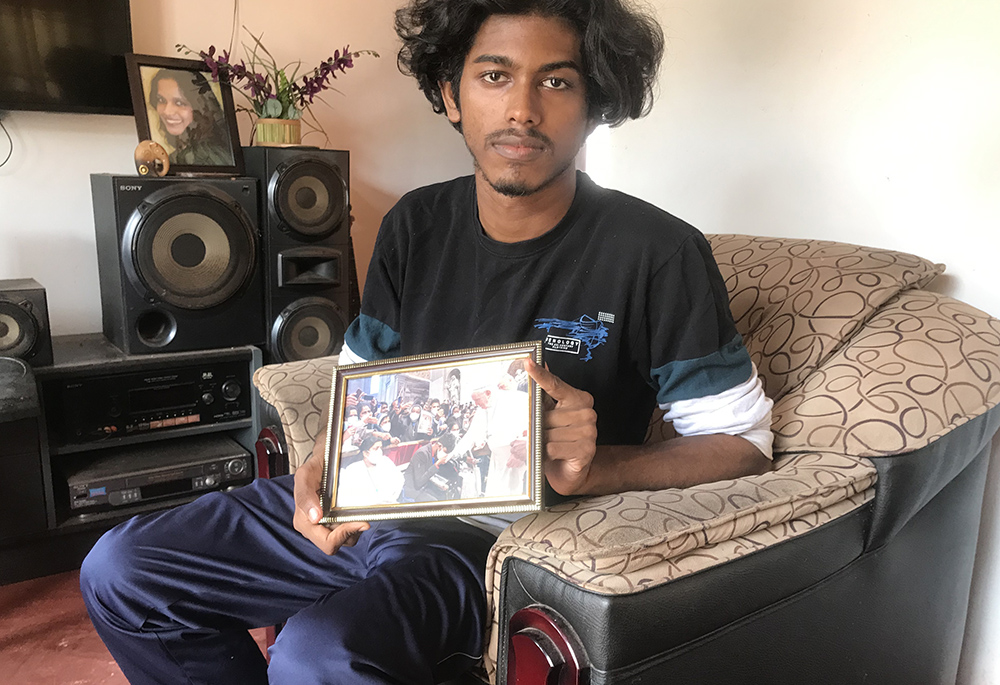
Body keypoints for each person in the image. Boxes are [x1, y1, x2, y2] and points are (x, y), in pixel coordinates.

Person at [81, 1, 774, 683]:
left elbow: (742, 443)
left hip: (490, 539)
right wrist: (321, 473)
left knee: (318, 654)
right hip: (374, 498)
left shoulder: (658, 251)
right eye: (495, 76)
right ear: (451, 93)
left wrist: (599, 468)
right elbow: (362, 379)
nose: (522, 110)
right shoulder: (415, 224)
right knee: (121, 572)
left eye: (557, 81)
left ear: (596, 101)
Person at [147, 68, 233, 167]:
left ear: (199, 106)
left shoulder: (210, 155)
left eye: (179, 103)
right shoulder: (177, 157)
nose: (167, 111)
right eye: (161, 100)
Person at [335, 437, 406, 507]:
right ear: (365, 453)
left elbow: (399, 480)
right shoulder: (354, 469)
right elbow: (347, 499)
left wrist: (390, 498)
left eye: (380, 448)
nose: (379, 451)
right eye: (376, 448)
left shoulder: (386, 462)